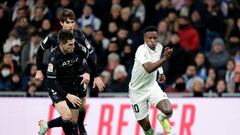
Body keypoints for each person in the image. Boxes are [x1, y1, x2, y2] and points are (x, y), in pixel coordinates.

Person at [36, 8, 104, 135]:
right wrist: (39, 69)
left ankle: (81, 126)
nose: (71, 25)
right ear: (61, 23)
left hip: (77, 74)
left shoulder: (79, 36)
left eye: (72, 22)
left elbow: (91, 54)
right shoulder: (52, 41)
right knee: (68, 118)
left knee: (81, 106)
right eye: (67, 22)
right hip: (58, 78)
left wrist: (90, 73)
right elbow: (40, 52)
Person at [38, 30, 89, 135]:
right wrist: (67, 95)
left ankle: (46, 125)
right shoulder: (53, 58)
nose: (73, 46)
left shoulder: (75, 49)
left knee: (73, 121)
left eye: (74, 43)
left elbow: (88, 60)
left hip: (71, 86)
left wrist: (86, 73)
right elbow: (51, 82)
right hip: (56, 87)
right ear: (62, 44)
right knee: (67, 116)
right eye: (70, 44)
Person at [129, 26, 173, 135]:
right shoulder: (141, 50)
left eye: (155, 38)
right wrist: (165, 58)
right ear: (145, 38)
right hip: (137, 91)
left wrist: (161, 73)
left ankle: (161, 118)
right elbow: (148, 68)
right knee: (146, 126)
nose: (153, 41)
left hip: (152, 86)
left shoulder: (159, 47)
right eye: (150, 38)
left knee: (168, 111)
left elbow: (156, 60)